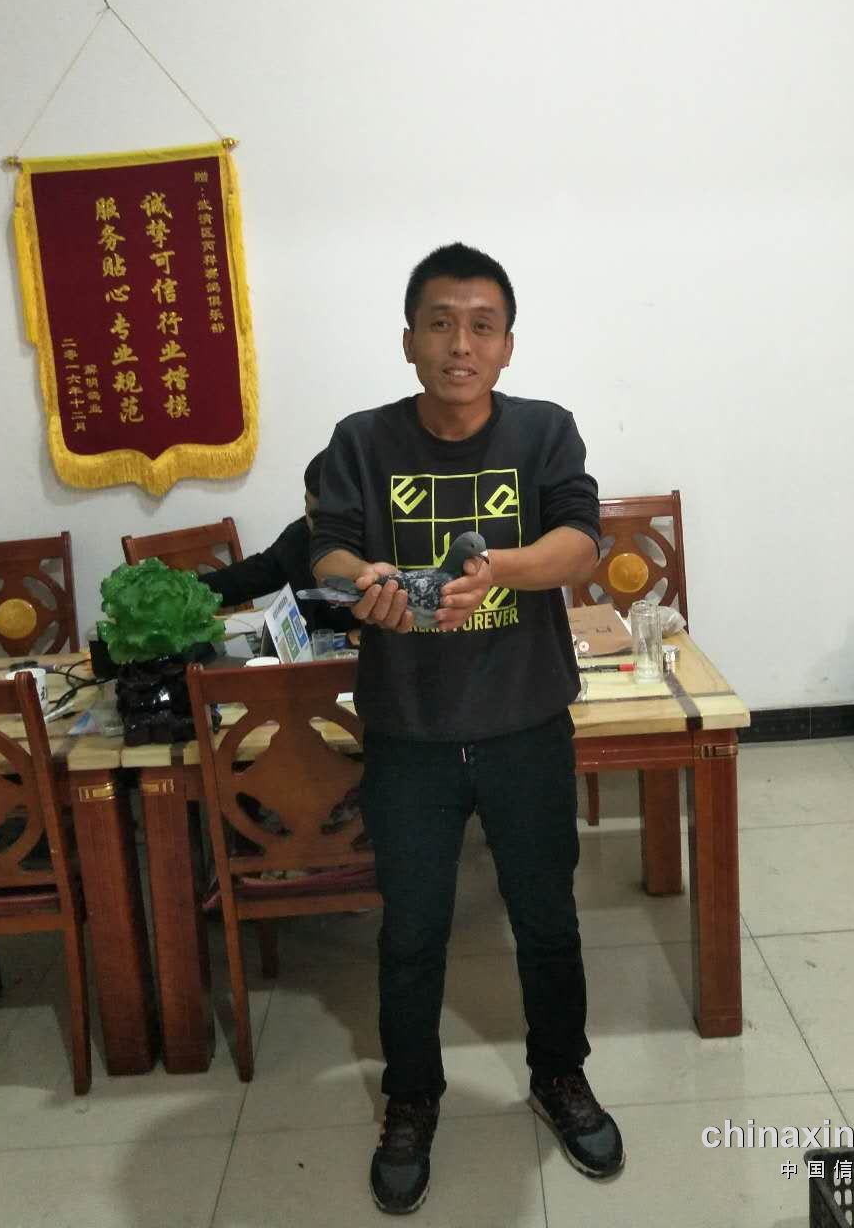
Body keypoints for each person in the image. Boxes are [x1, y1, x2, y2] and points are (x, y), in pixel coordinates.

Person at [311, 242, 624, 1215]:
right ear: (409, 340)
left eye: (482, 326)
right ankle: (410, 1099)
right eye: (440, 323)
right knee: (411, 931)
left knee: (547, 920)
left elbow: (581, 541)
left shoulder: (544, 432)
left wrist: (501, 571)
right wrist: (364, 582)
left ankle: (560, 1075)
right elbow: (326, 550)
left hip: (525, 723)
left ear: (507, 345)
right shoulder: (362, 441)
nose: (460, 344)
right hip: (408, 731)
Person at [198, 451, 353, 635]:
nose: (311, 522)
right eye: (308, 507)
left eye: (321, 516)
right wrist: (186, 592)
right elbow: (245, 578)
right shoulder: (299, 537)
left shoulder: (378, 545)